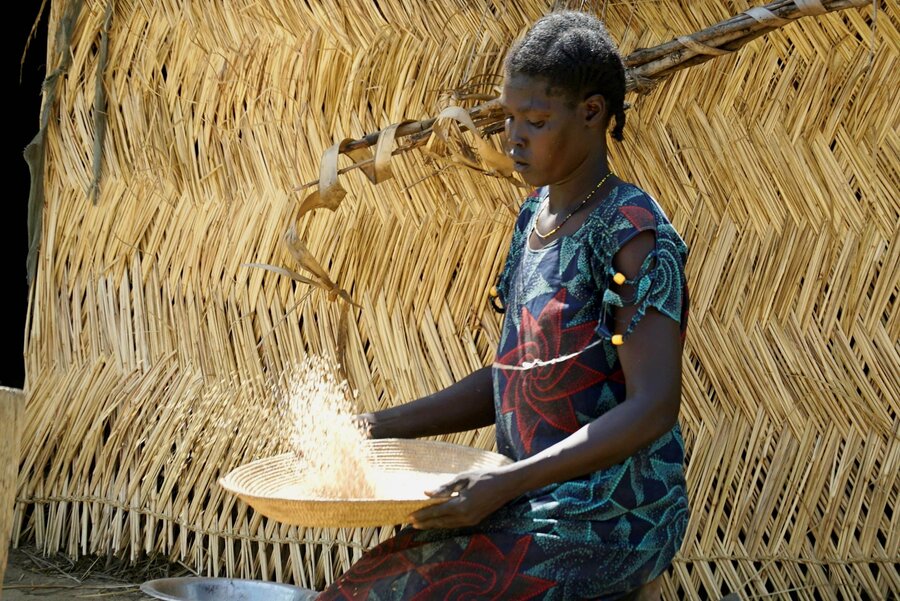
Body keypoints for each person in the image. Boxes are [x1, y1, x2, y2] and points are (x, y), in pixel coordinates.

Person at [319, 9, 690, 601]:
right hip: (525, 498)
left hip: (609, 514)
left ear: (592, 113)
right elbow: (516, 376)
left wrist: (507, 483)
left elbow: (653, 407)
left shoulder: (632, 234)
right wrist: (373, 428)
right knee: (354, 588)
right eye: (509, 117)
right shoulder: (535, 219)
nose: (512, 137)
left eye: (535, 120)